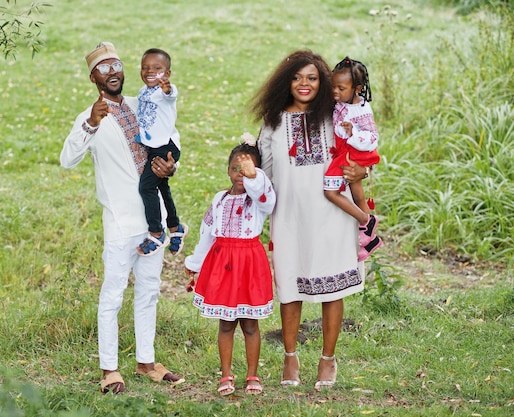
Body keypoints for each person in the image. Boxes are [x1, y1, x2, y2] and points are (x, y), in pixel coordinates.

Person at [59, 41, 184, 394]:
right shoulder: (91, 117)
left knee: (149, 291)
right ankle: (110, 369)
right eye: (104, 67)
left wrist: (171, 164)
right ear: (93, 77)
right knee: (112, 295)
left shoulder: (141, 102)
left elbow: (169, 135)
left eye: (116, 65)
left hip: (154, 220)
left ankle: (147, 362)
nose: (112, 72)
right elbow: (67, 159)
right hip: (120, 222)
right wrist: (90, 123)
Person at [250, 49, 367, 391]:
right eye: (298, 77)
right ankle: (290, 356)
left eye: (312, 78)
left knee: (334, 288)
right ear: (285, 83)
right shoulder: (272, 122)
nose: (304, 84)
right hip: (288, 215)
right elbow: (264, 175)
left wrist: (361, 170)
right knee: (290, 287)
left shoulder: (335, 116)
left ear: (324, 82)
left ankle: (328, 359)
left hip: (332, 214)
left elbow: (360, 152)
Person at [184, 140, 276, 396]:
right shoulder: (219, 200)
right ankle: (226, 374)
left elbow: (266, 196)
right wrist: (194, 263)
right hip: (222, 265)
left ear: (257, 173)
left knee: (250, 324)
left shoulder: (258, 200)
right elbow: (207, 234)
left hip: (249, 264)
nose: (241, 174)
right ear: (228, 170)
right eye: (236, 168)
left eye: (247, 169)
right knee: (226, 323)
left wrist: (254, 176)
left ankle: (252, 374)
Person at [325, 56, 382, 261]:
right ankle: (370, 239)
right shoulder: (341, 101)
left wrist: (352, 132)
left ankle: (366, 222)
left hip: (353, 153)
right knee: (357, 195)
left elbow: (373, 137)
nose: (335, 92)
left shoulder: (362, 110)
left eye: (341, 88)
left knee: (332, 192)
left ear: (357, 89)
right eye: (333, 87)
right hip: (345, 151)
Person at [135, 48, 188, 257]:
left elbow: (170, 94)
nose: (150, 71)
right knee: (161, 186)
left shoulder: (165, 91)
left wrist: (167, 89)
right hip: (153, 145)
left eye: (157, 69)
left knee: (146, 187)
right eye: (145, 67)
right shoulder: (143, 91)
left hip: (166, 147)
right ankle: (176, 228)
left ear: (167, 74)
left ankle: (157, 232)